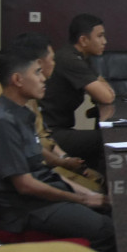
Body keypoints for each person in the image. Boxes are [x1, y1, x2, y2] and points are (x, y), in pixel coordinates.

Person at [0, 45, 116, 252]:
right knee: (107, 230)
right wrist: (82, 199)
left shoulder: (20, 113)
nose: (43, 79)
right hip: (28, 210)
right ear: (17, 79)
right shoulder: (2, 124)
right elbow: (26, 186)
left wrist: (87, 193)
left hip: (41, 198)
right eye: (37, 73)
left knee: (109, 208)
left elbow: (44, 171)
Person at [0, 32, 103, 192]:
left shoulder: (28, 92)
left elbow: (42, 136)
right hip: (31, 173)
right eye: (52, 60)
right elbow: (26, 156)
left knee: (99, 180)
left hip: (43, 163)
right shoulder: (5, 98)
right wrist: (80, 192)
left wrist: (64, 159)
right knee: (98, 188)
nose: (54, 65)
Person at [42, 13, 115, 171]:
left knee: (103, 137)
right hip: (50, 133)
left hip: (61, 129)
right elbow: (107, 96)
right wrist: (103, 88)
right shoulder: (70, 60)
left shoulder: (81, 58)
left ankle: (97, 179)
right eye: (100, 36)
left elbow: (105, 88)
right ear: (83, 40)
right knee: (107, 139)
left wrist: (103, 87)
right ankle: (106, 186)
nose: (105, 41)